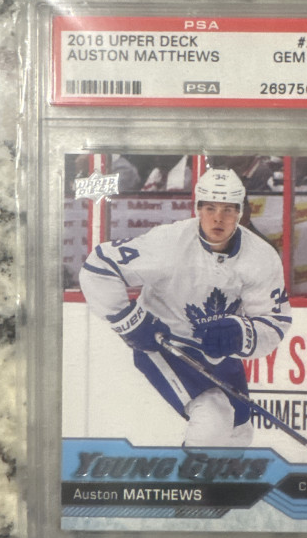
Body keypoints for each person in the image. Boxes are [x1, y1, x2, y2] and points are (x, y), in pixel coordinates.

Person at [79, 168, 292, 447]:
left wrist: (241, 333)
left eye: (228, 210)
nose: (218, 218)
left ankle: (214, 477)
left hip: (217, 352)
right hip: (165, 344)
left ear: (240, 213)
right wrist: (130, 321)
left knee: (239, 434)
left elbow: (274, 321)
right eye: (210, 208)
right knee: (213, 418)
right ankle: (192, 476)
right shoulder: (169, 242)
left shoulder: (261, 256)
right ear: (197, 209)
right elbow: (98, 266)